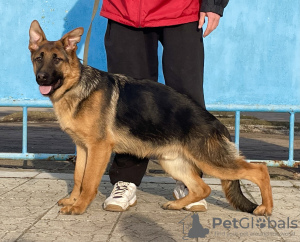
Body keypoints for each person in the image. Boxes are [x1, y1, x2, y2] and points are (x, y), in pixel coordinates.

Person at [100, 0, 229, 212]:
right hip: (125, 9)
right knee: (129, 102)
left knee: (188, 99)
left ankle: (190, 181)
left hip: (183, 8)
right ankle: (126, 179)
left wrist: (213, 4)